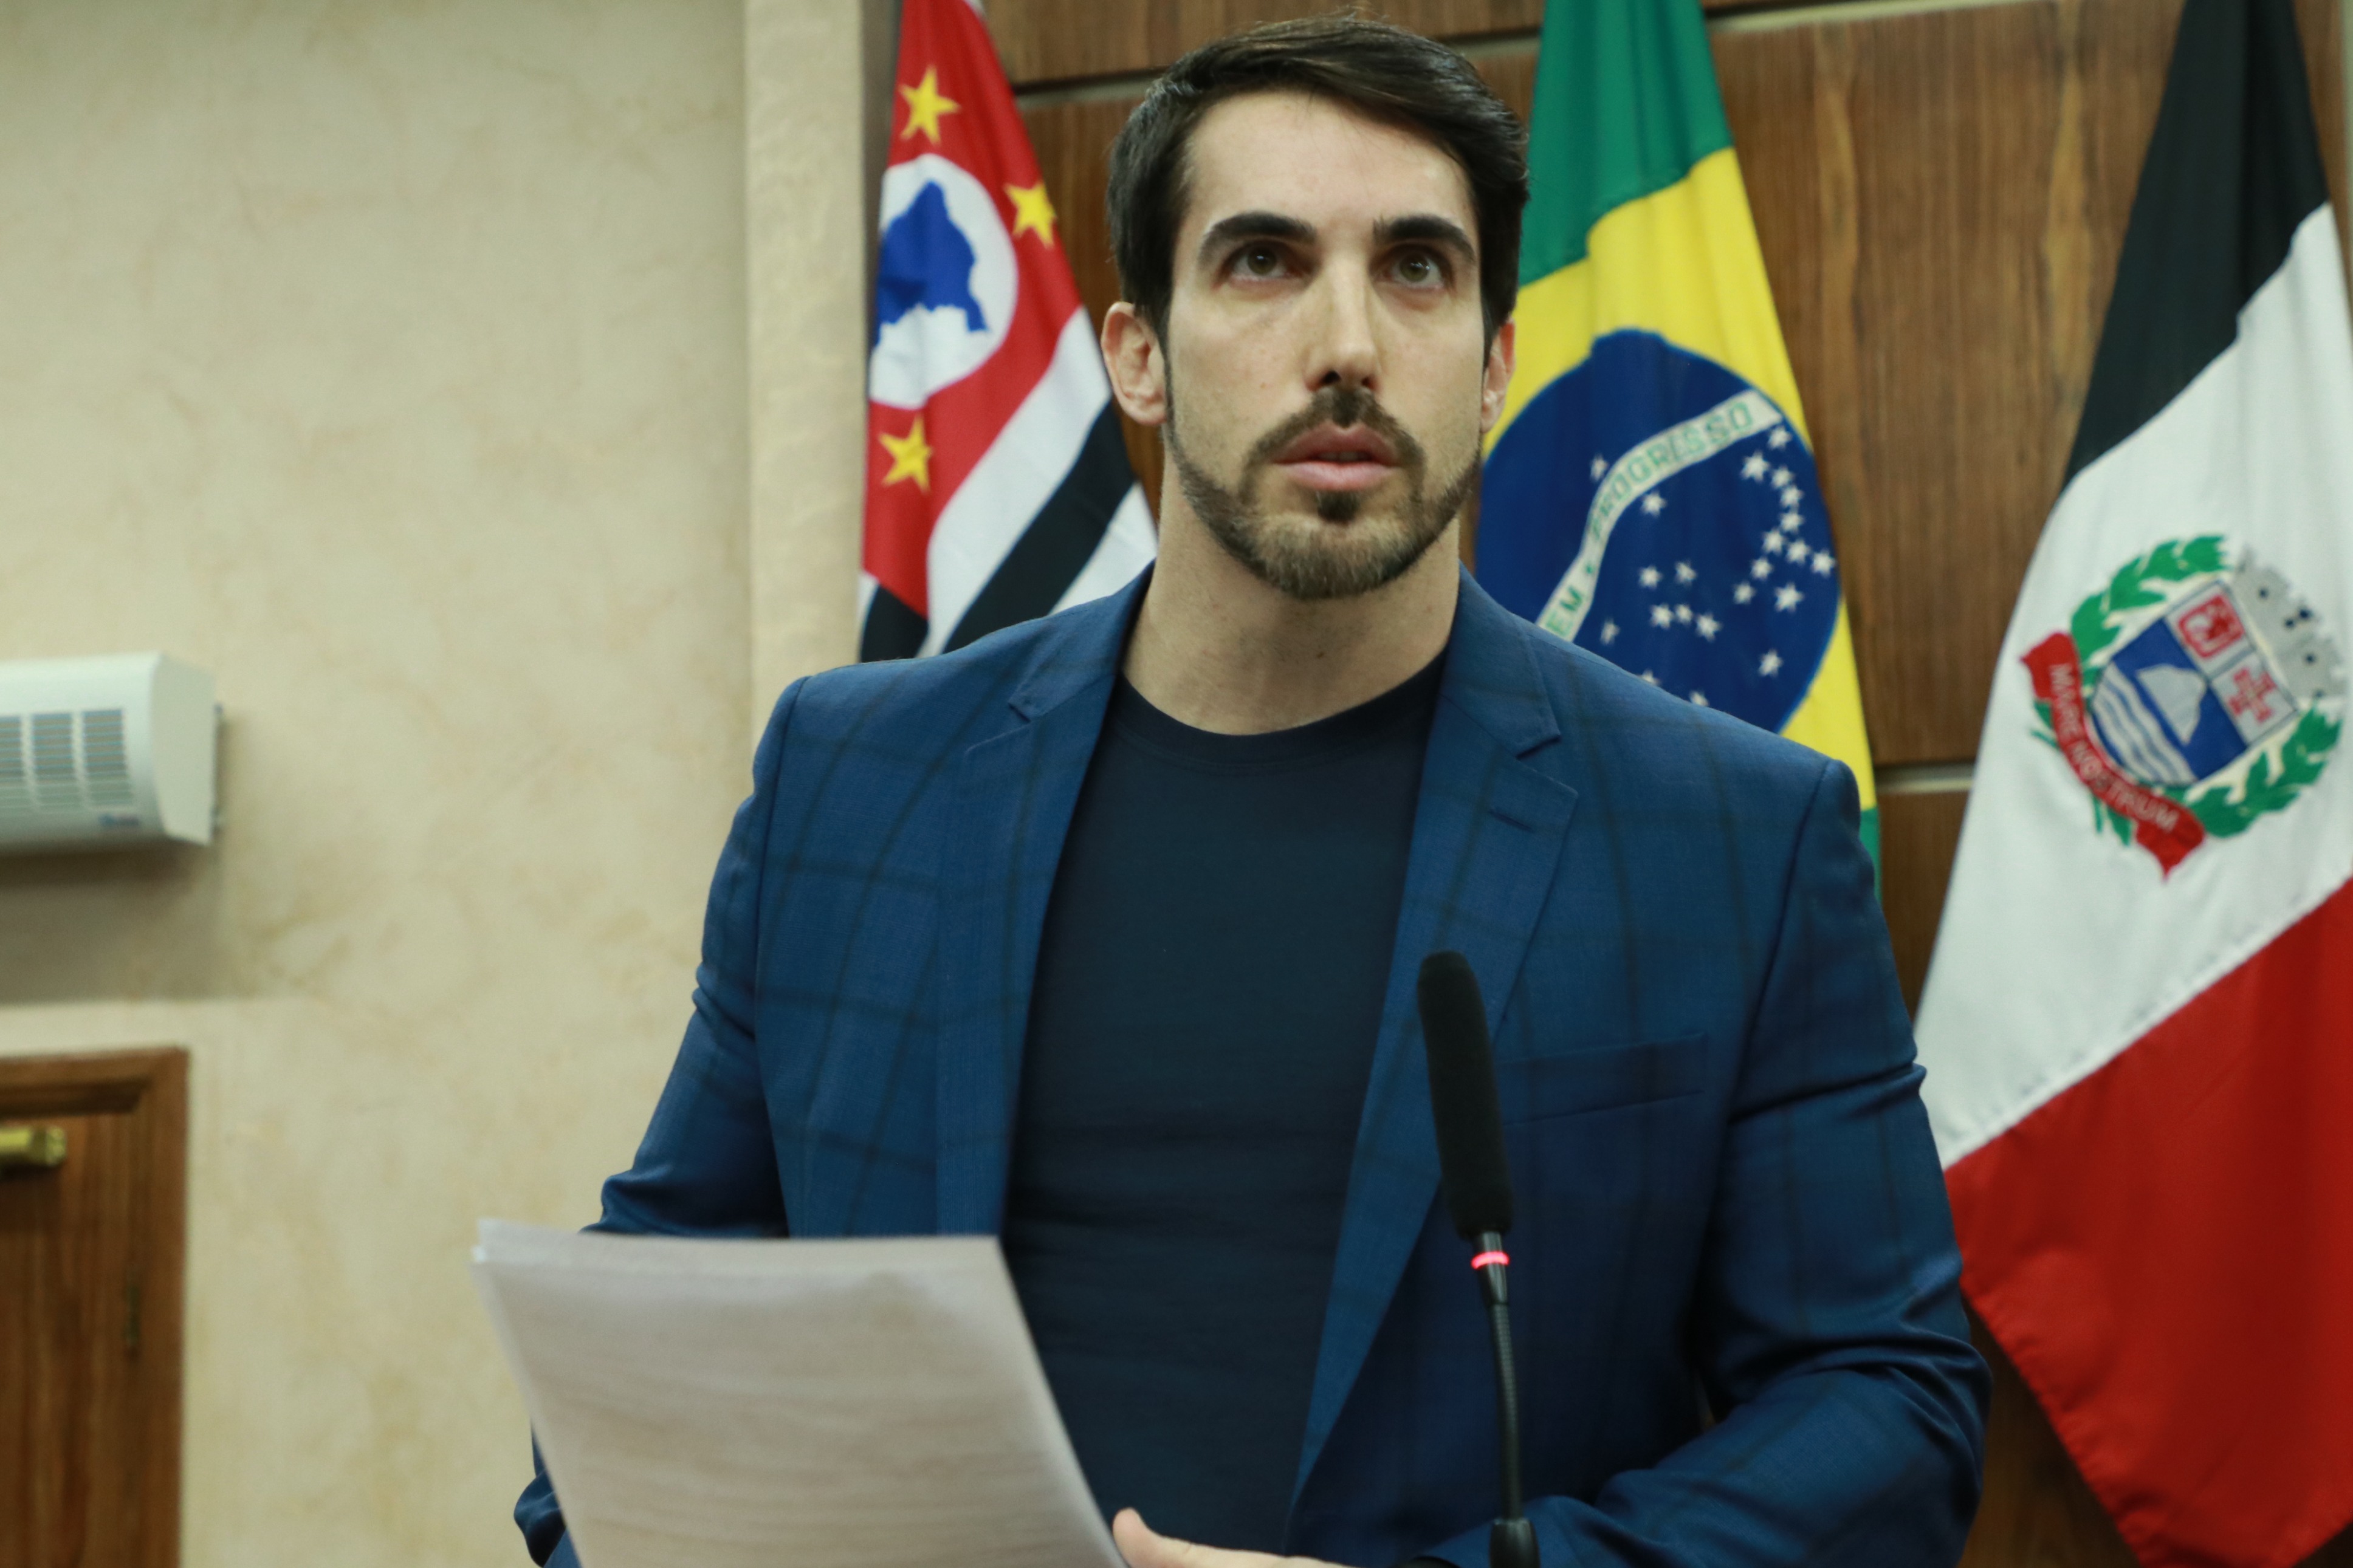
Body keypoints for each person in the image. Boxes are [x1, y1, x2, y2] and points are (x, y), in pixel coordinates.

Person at [515, 17, 1987, 1567]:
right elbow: (655, 1318)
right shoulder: (854, 779)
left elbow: (1885, 1402)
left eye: (1415, 268)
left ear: (1495, 362)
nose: (1348, 342)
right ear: (1137, 356)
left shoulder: (1734, 836)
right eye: (1264, 261)